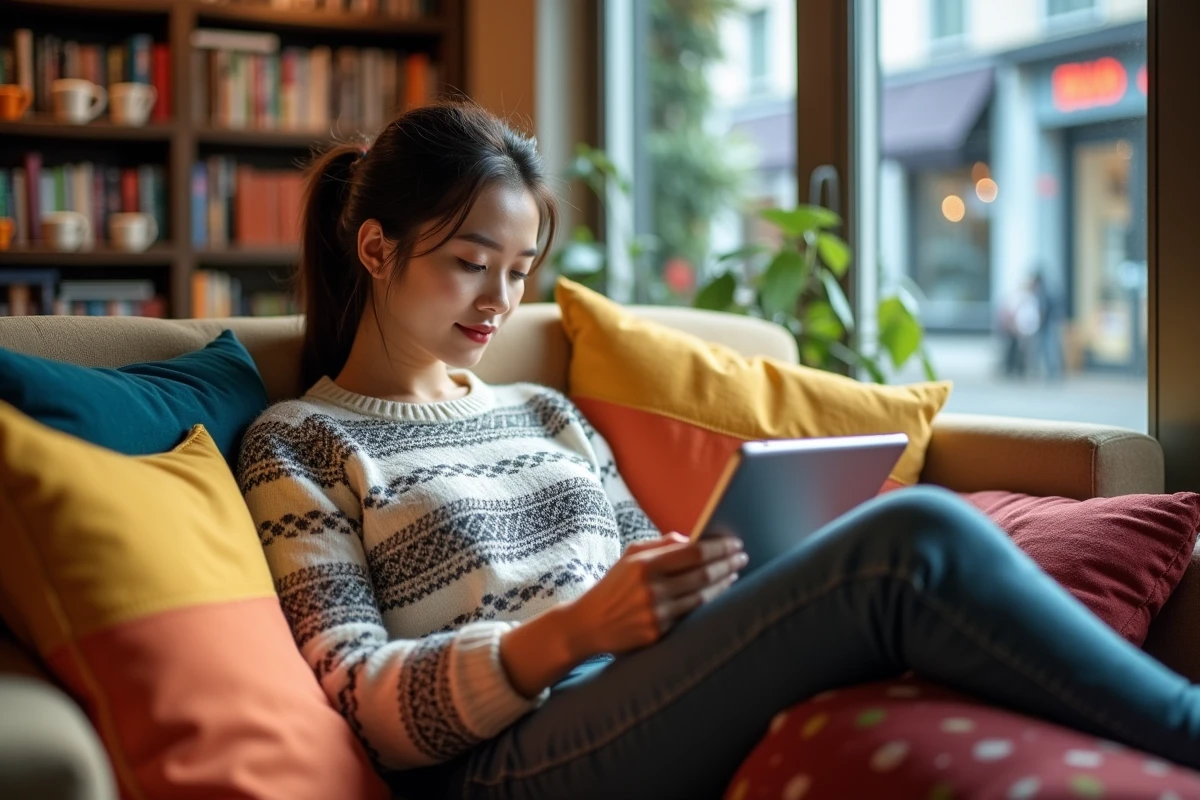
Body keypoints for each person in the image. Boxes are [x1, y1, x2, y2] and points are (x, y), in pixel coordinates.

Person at [236, 100, 1200, 799]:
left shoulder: (545, 412)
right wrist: (568, 635)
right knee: (908, 544)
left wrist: (690, 578)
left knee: (898, 551)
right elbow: (359, 699)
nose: (501, 301)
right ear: (376, 250)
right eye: (469, 264)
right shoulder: (300, 443)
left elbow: (639, 557)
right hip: (500, 763)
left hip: (631, 696)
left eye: (520, 270)